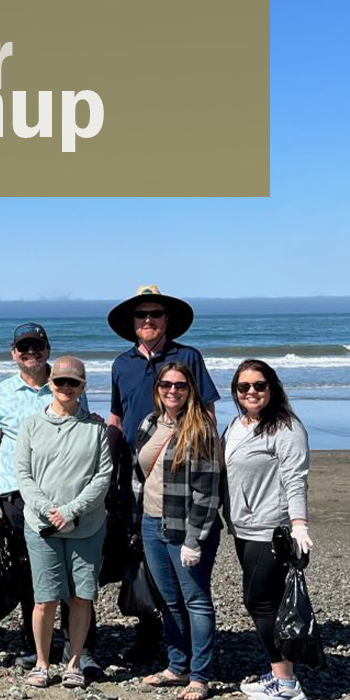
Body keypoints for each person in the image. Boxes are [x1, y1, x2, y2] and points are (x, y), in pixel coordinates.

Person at [107, 284, 219, 663]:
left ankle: (192, 658)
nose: (149, 320)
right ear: (133, 323)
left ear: (167, 320)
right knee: (141, 558)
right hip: (135, 478)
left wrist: (207, 461)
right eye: (142, 316)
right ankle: (151, 635)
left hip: (183, 479)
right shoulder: (121, 363)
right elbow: (116, 418)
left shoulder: (187, 358)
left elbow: (207, 415)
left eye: (155, 314)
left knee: (188, 578)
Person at [0, 322, 96, 672]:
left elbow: (86, 437)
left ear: (47, 349)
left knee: (78, 575)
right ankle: (35, 647)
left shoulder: (65, 385)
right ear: (13, 353)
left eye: (37, 347)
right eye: (23, 348)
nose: (31, 353)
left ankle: (81, 650)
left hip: (68, 496)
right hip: (17, 496)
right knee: (33, 574)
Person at [15, 356, 112, 689]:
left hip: (87, 525)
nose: (66, 388)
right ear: (50, 385)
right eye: (60, 382)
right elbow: (23, 476)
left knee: (82, 597)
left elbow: (103, 477)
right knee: (45, 598)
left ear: (83, 386)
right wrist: (48, 510)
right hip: (41, 525)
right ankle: (42, 662)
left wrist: (70, 510)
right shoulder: (30, 426)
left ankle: (74, 661)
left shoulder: (96, 428)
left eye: (74, 383)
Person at [223, 359, 312, 700]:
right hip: (243, 527)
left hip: (271, 530)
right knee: (267, 602)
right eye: (244, 387)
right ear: (236, 392)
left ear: (271, 387)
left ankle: (287, 682)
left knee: (259, 602)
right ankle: (279, 675)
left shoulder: (286, 428)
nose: (251, 392)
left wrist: (300, 524)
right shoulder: (237, 425)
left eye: (259, 385)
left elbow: (295, 479)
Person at [134, 361, 223, 700]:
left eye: (181, 386)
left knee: (196, 600)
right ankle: (177, 666)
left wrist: (193, 540)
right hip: (151, 523)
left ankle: (199, 676)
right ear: (157, 388)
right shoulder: (148, 423)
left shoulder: (200, 428)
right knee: (168, 601)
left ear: (191, 390)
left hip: (186, 529)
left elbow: (207, 492)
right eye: (166, 385)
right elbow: (139, 472)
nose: (173, 391)